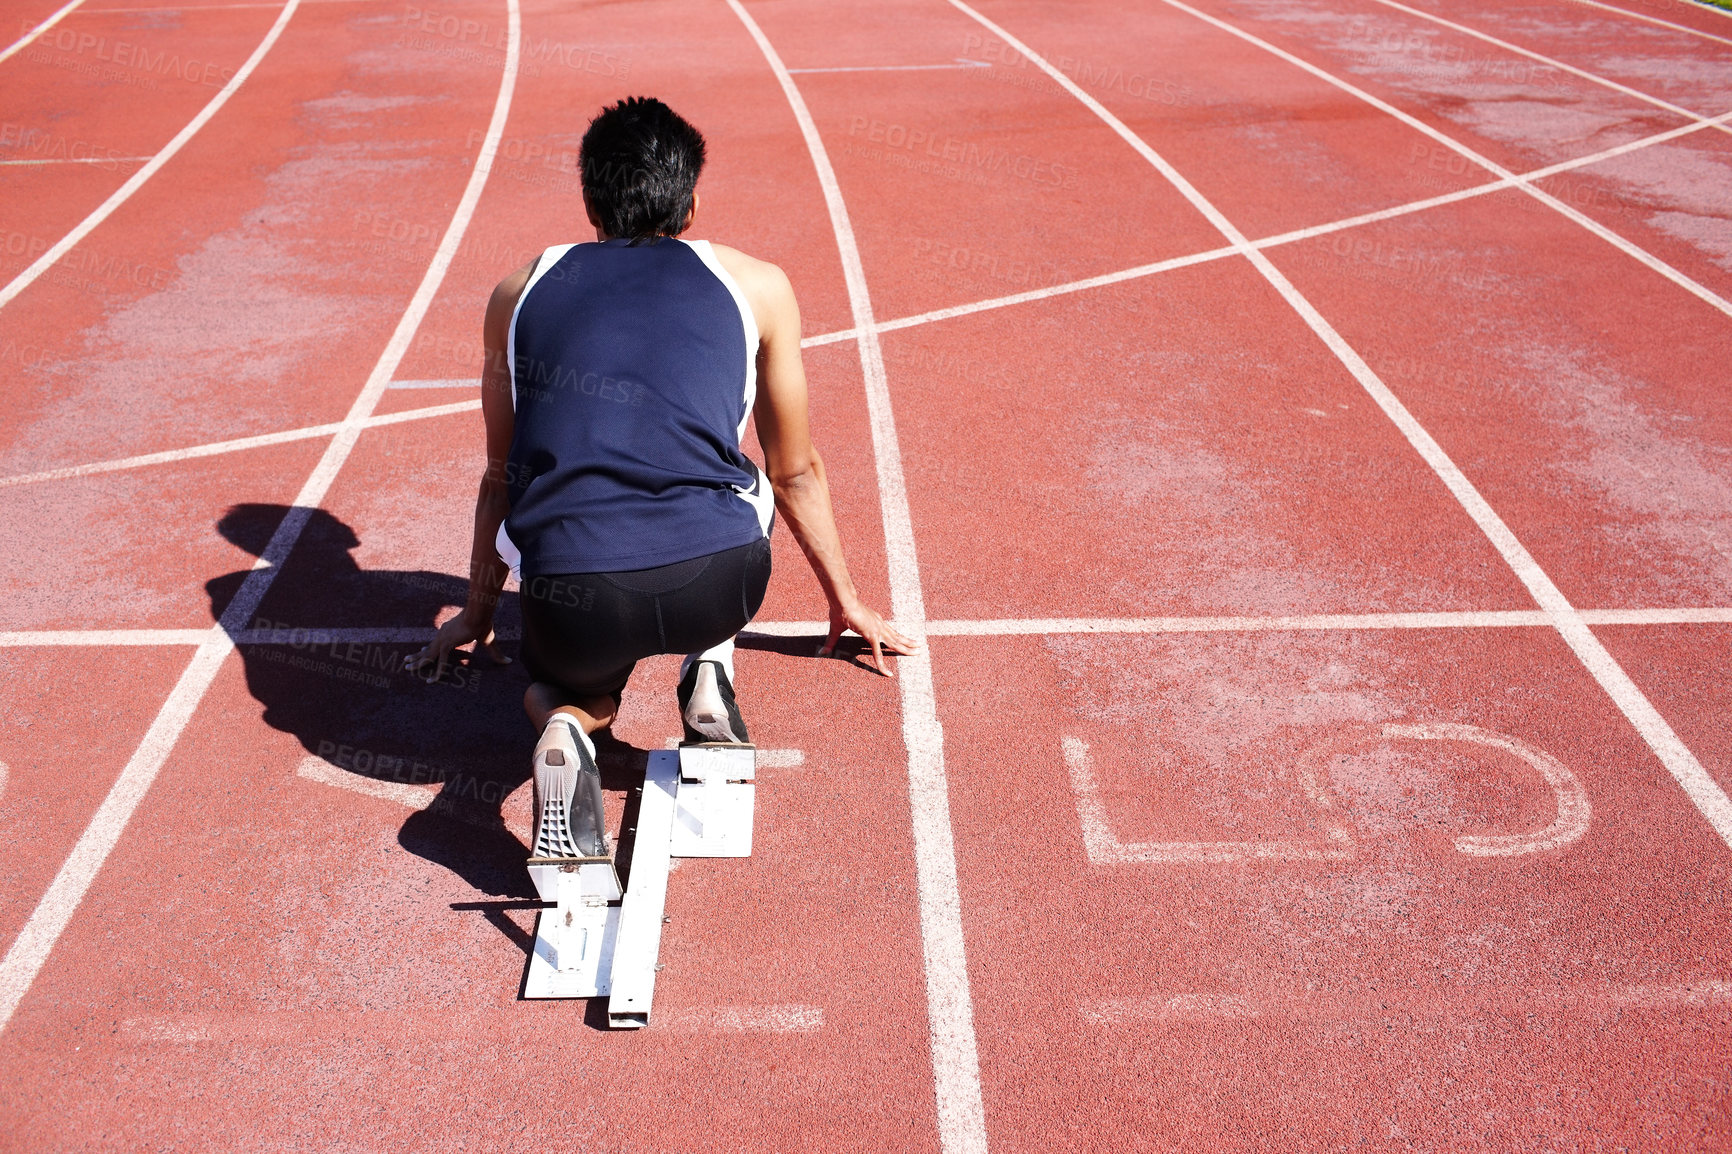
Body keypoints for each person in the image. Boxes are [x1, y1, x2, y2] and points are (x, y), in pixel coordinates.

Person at [407, 97, 917, 869]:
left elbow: (498, 479)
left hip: (577, 600)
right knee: (741, 485)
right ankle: (708, 669)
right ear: (694, 199)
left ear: (589, 202)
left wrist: (477, 616)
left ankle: (570, 726)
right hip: (719, 583)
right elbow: (796, 471)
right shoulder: (759, 283)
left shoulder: (517, 291)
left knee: (564, 687)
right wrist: (844, 599)